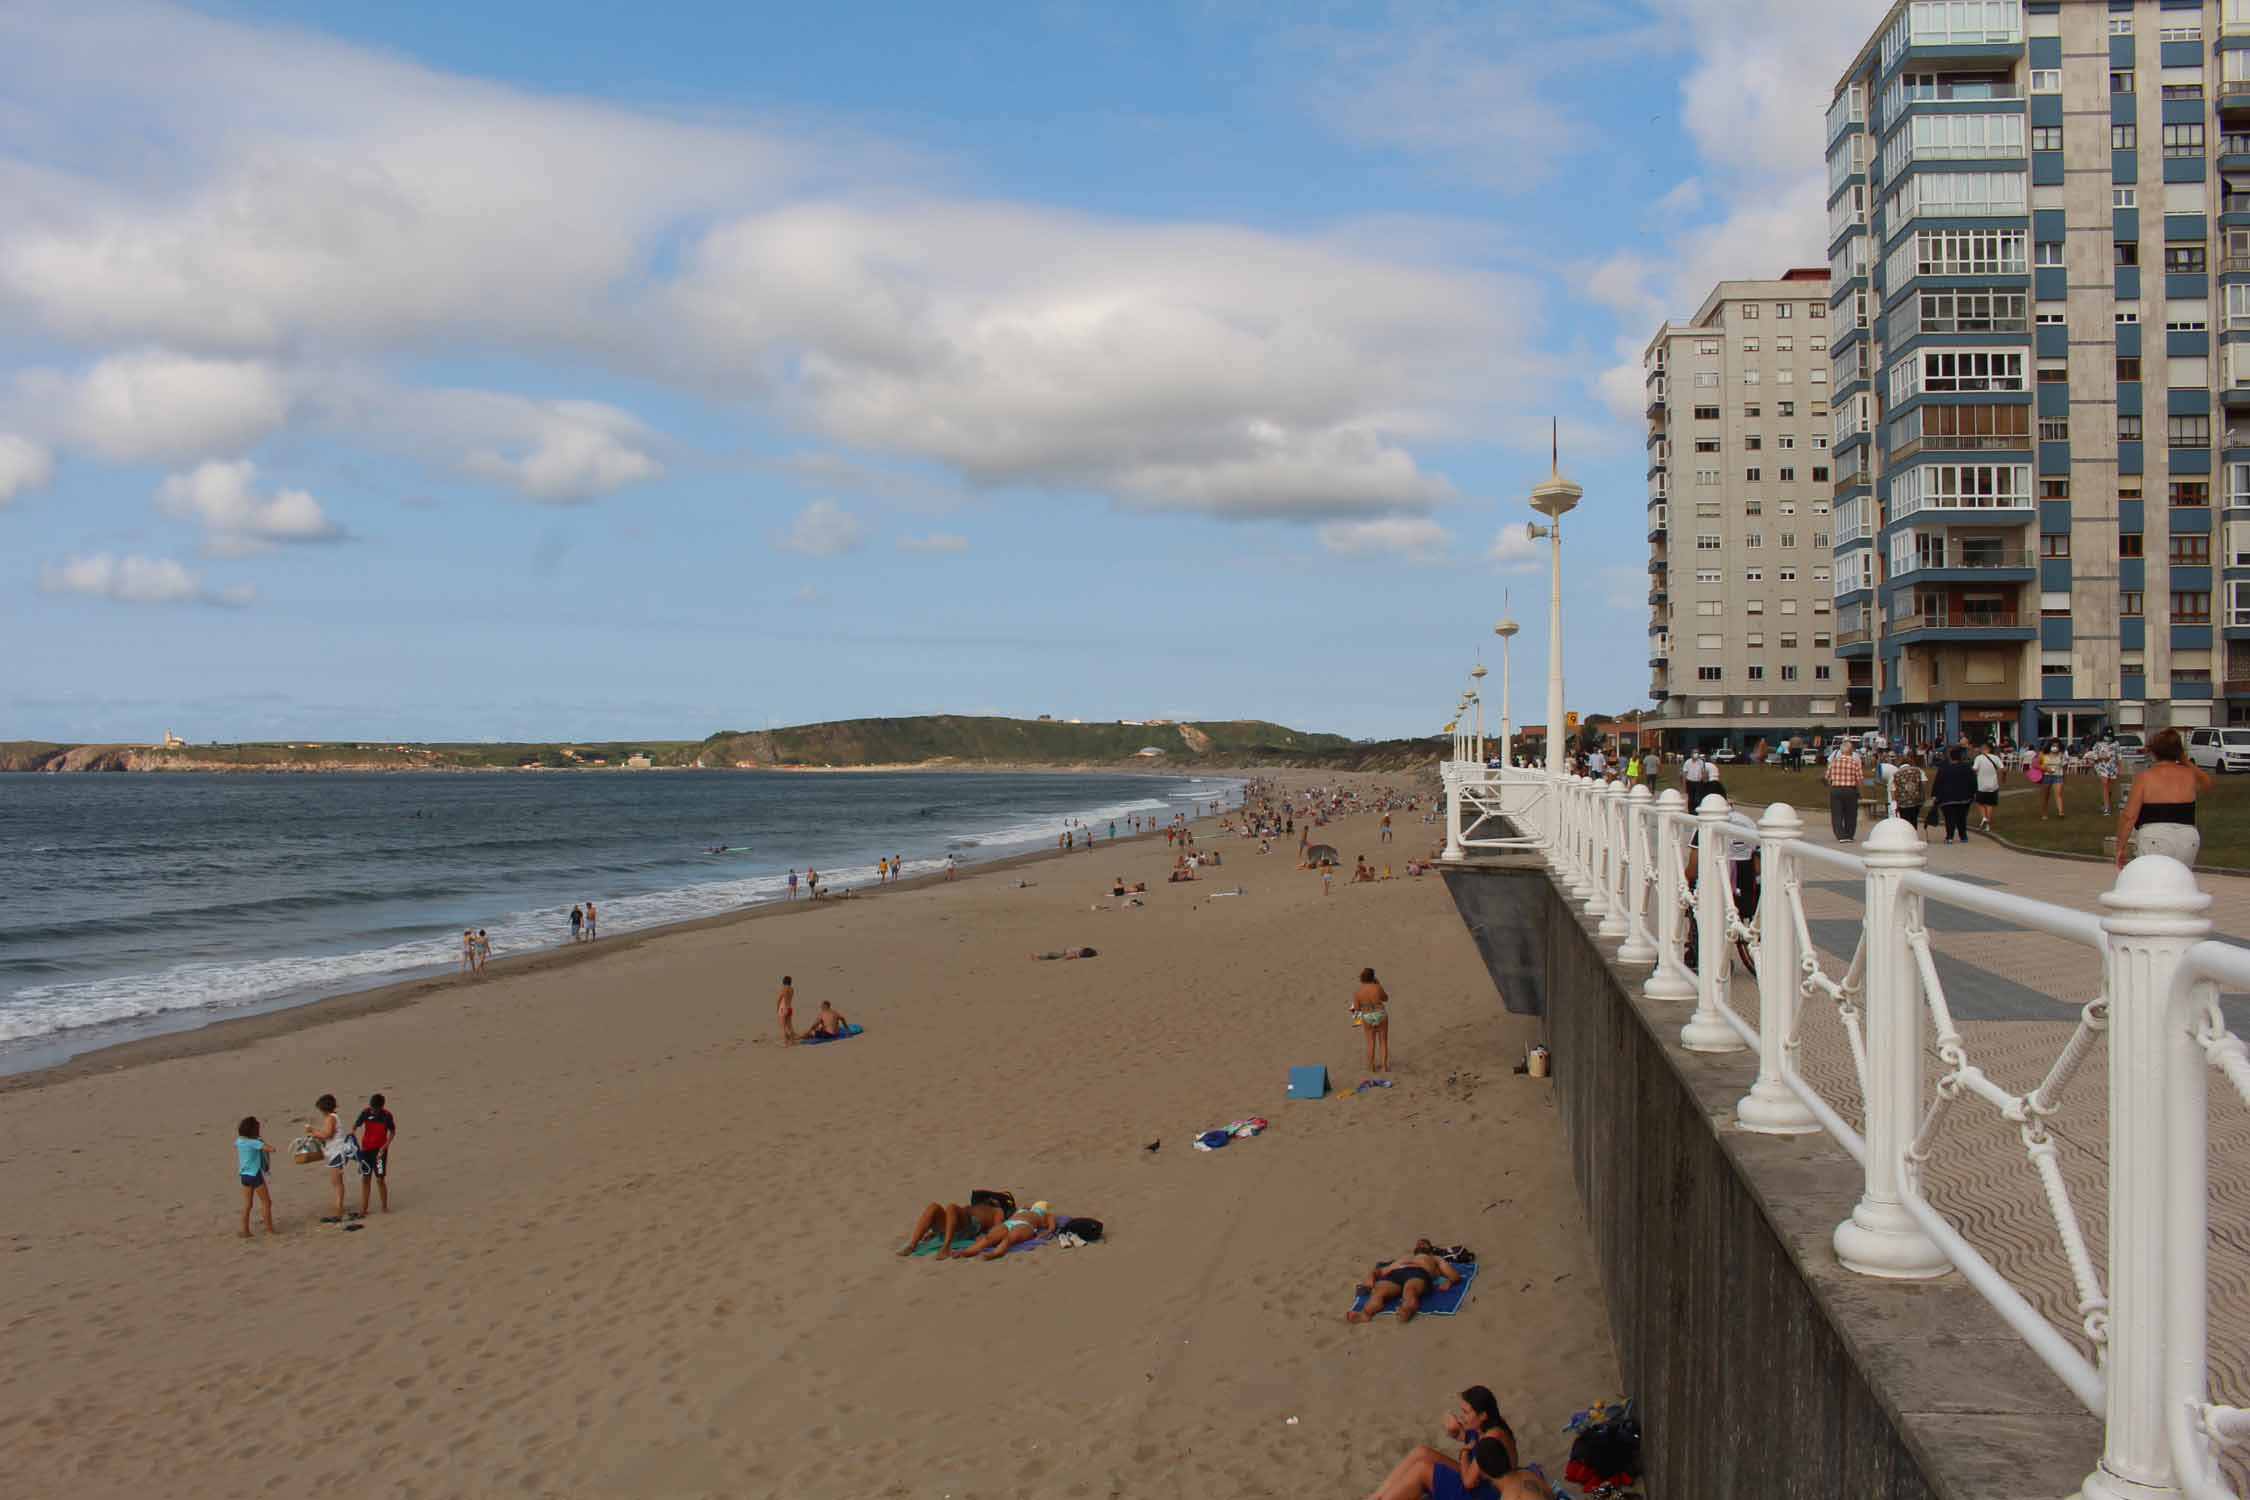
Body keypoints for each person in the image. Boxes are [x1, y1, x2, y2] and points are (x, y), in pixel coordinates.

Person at [1361, 1387, 1519, 1500]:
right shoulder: (1490, 1423)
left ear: (1483, 1415)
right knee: (1422, 1452)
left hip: (1486, 1491)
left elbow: (1469, 1482)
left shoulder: (1491, 1438)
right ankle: (1375, 1497)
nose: (1462, 1417)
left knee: (1422, 1469)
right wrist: (1456, 1431)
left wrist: (1464, 1453)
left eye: (1466, 1412)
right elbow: (1471, 1441)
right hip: (1480, 1477)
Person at [2116, 727, 2210, 867]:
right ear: (2179, 752)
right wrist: (2184, 760)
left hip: (2155, 835)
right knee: (2181, 882)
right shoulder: (2189, 775)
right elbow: (2208, 783)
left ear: (2153, 752)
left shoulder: (2145, 777)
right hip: (2187, 837)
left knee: (2153, 884)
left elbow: (2129, 816)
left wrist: (2120, 847)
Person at [1347, 1251, 1460, 1324]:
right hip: (1395, 1273)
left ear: (1430, 1248)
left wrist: (1450, 1281)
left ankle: (1407, 1309)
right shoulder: (1404, 1256)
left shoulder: (1434, 1258)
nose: (1420, 1243)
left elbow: (1453, 1274)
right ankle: (1365, 1314)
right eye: (1419, 1242)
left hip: (1418, 1272)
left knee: (1410, 1290)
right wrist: (1371, 1276)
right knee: (1378, 1292)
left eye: (1424, 1242)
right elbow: (1380, 1271)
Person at [897, 1198, 1007, 1259]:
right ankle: (912, 1244)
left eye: (996, 1198)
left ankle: (946, 1248)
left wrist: (983, 1237)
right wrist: (933, 1234)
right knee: (933, 1207)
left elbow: (997, 1229)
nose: (992, 1198)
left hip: (971, 1228)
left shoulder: (998, 1211)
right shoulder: (974, 1206)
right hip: (958, 1227)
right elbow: (954, 1218)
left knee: (951, 1207)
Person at [307, 1093, 353, 1222]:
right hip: (335, 1152)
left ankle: (339, 1208)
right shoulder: (333, 1117)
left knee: (337, 1182)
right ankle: (339, 1206)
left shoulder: (331, 1118)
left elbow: (327, 1134)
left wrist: (313, 1131)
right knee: (336, 1182)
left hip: (337, 1153)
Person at [962, 1201, 1058, 1259]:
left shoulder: (1046, 1215)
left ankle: (996, 1253)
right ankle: (968, 1251)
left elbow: (1052, 1228)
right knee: (989, 1238)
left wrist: (1046, 1233)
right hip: (1009, 1223)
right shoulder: (1024, 1209)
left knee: (1009, 1239)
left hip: (1025, 1225)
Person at [353, 1093, 397, 1216]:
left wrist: (384, 1147)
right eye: (372, 1108)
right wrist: (352, 1133)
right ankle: (364, 1208)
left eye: (375, 1109)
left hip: (379, 1152)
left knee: (380, 1179)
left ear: (381, 1107)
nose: (373, 1111)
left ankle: (384, 1207)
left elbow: (392, 1132)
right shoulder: (366, 1112)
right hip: (366, 1150)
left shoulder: (387, 1116)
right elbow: (356, 1125)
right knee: (365, 1178)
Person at [236, 1116, 276, 1238]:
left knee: (247, 1204)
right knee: (266, 1202)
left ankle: (245, 1230)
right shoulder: (254, 1143)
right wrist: (261, 1142)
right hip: (255, 1175)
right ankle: (269, 1230)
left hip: (244, 1175)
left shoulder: (239, 1141)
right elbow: (272, 1149)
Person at [1932, 746, 1977, 844]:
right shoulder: (1967, 768)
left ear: (1950, 758)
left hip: (1947, 798)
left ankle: (1949, 837)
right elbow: (1973, 781)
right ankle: (1963, 836)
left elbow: (1938, 783)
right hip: (1964, 798)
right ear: (1960, 757)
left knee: (1949, 818)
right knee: (1962, 817)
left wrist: (1935, 795)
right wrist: (1973, 793)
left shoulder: (1944, 769)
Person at [1352, 966, 1391, 1074]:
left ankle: (1371, 1067)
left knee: (1370, 1042)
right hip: (1380, 1013)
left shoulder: (1358, 992)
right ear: (1373, 977)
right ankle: (1384, 1066)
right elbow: (1385, 998)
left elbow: (1356, 1008)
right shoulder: (1377, 987)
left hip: (1367, 1015)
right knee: (1383, 1041)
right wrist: (1378, 984)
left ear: (1362, 979)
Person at [1825, 740, 1865, 842]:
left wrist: (1832, 786)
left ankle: (1840, 835)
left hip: (1836, 789)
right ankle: (1849, 834)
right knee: (1851, 814)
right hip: (1850, 790)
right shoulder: (1854, 762)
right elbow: (1859, 779)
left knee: (1837, 814)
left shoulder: (1834, 762)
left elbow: (1827, 777)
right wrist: (1860, 792)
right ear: (1851, 751)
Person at [1890, 751, 1928, 835]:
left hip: (1902, 801)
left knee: (1904, 819)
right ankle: (1914, 833)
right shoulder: (1918, 770)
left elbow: (1893, 789)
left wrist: (1894, 802)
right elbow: (1924, 782)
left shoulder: (1896, 774)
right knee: (1914, 818)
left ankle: (1907, 835)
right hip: (1916, 800)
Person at [1972, 741, 2006, 832]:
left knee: (1980, 802)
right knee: (1989, 804)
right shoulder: (1995, 758)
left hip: (1981, 784)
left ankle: (1984, 818)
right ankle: (1988, 824)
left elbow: (1974, 769)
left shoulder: (1978, 758)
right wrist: (2002, 778)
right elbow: (2003, 769)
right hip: (1993, 784)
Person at [2037, 739, 2067, 819]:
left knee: (2058, 794)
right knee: (2045, 796)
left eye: (2056, 746)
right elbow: (2036, 764)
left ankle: (2061, 812)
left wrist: (2064, 777)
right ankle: (2044, 813)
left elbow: (2064, 766)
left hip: (2058, 776)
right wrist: (2044, 768)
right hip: (2046, 776)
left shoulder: (2061, 755)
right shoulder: (2043, 754)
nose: (2055, 747)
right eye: (2053, 745)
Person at [2092, 737, 2119, 816]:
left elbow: (2119, 756)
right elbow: (2094, 757)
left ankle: (2105, 803)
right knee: (2105, 785)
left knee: (2109, 789)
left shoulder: (2116, 744)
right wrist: (2101, 757)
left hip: (2112, 768)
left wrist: (2119, 768)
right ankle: (2107, 809)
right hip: (2102, 768)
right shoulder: (2097, 744)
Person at [777, 975, 797, 1045]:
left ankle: (785, 1042)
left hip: (783, 1008)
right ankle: (793, 1041)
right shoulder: (792, 989)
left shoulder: (784, 989)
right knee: (790, 1026)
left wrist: (777, 1008)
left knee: (783, 1026)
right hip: (789, 1007)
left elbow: (779, 999)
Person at [1030, 947, 1097, 960]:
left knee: (1050, 956)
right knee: (1050, 955)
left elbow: (1069, 957)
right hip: (1064, 953)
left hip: (1063, 954)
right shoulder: (1079, 951)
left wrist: (1066, 957)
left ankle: (1037, 957)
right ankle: (1038, 957)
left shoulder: (1078, 953)